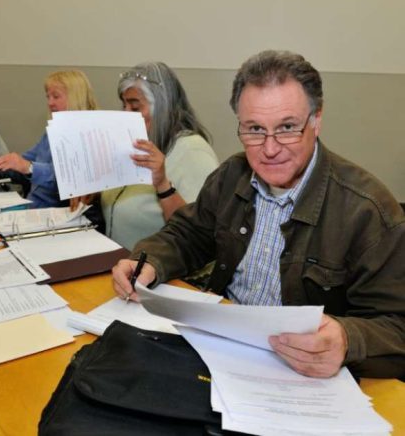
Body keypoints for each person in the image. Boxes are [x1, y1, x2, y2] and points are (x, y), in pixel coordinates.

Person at [112, 50, 405, 380]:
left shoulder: (368, 211)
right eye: (254, 129)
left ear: (316, 120)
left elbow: (396, 325)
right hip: (222, 349)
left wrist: (347, 340)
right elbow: (188, 233)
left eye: (287, 127)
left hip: (302, 374)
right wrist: (148, 261)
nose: (269, 148)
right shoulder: (232, 175)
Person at [72, 62, 219, 250]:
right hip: (124, 266)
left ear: (162, 109)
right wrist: (96, 189)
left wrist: (163, 185)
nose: (125, 115)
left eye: (134, 108)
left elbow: (199, 235)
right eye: (124, 106)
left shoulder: (193, 151)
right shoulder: (139, 142)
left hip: (167, 274)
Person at [0, 70, 98, 208]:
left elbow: (68, 178)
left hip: (55, 213)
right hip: (33, 207)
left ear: (75, 97)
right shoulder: (53, 131)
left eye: (56, 96)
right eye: (48, 97)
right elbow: (22, 161)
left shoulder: (88, 135)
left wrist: (28, 167)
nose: (50, 103)